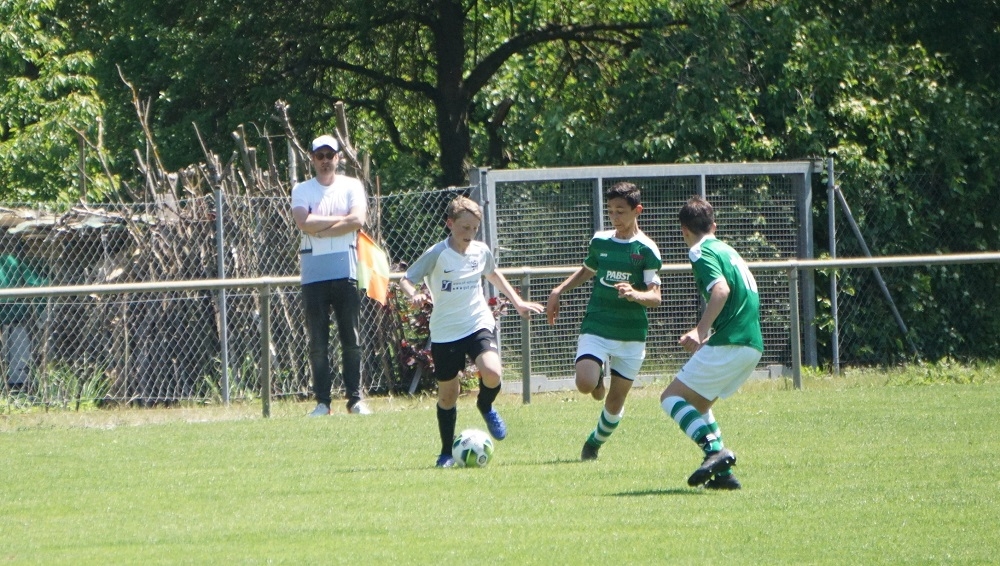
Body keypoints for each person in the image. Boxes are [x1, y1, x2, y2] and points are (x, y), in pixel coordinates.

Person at [399, 196, 544, 467]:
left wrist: (518, 302)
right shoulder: (437, 253)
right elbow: (407, 279)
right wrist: (414, 294)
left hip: (477, 322)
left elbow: (493, 274)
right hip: (446, 331)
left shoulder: (480, 251)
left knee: (492, 372)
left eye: (475, 228)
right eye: (465, 227)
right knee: (448, 395)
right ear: (450, 224)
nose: (470, 233)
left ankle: (485, 405)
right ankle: (445, 453)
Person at [546, 182, 662, 461]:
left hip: (631, 333)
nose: (614, 217)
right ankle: (597, 376)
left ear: (637, 211)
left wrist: (635, 294)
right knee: (585, 384)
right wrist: (558, 291)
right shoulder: (600, 241)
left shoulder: (647, 249)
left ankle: (593, 444)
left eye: (620, 211)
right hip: (598, 323)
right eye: (610, 211)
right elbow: (588, 270)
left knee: (614, 401)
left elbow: (655, 297)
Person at [660, 195, 763, 490]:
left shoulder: (699, 251)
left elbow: (721, 290)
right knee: (700, 403)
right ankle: (723, 476)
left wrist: (700, 330)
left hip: (732, 341)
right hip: (750, 343)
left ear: (684, 231)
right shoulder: (728, 250)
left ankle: (714, 451)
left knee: (671, 398)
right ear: (713, 226)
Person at [291, 134, 371, 416]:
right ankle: (323, 403)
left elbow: (357, 220)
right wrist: (340, 221)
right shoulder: (302, 189)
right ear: (312, 159)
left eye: (330, 155)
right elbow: (303, 221)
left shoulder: (352, 185)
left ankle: (355, 400)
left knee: (351, 340)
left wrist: (321, 229)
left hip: (346, 270)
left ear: (338, 157)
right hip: (313, 275)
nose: (325, 160)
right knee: (318, 343)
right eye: (319, 156)